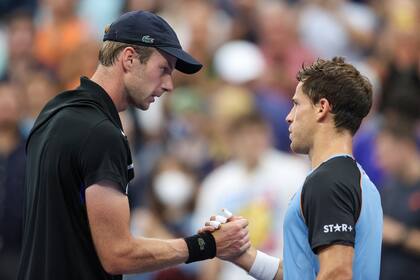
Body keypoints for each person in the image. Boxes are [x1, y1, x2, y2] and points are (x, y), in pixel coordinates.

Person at [17, 10, 250, 280]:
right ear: (129, 58)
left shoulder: (54, 112)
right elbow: (118, 254)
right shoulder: (101, 134)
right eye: (163, 69)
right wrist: (208, 245)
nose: (169, 85)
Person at [201, 57, 383, 280]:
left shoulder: (328, 181)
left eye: (296, 104)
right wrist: (244, 256)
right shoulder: (355, 180)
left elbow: (337, 274)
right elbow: (305, 274)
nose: (288, 117)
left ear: (321, 108)